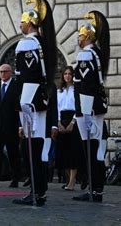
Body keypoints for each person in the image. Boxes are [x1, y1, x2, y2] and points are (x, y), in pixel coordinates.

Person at [12, 0, 58, 207]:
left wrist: (23, 103)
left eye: (22, 21)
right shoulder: (43, 43)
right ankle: (40, 190)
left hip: (30, 98)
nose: (20, 25)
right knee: (37, 145)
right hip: (40, 98)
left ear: (29, 23)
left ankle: (35, 191)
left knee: (32, 146)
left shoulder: (27, 44)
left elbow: (26, 75)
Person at [72, 11, 110, 203]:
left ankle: (94, 189)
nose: (78, 39)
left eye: (80, 35)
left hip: (89, 106)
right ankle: (96, 189)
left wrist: (83, 111)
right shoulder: (97, 53)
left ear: (87, 36)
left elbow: (85, 85)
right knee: (96, 149)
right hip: (97, 105)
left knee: (92, 148)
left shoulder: (86, 54)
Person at [56, 66, 83, 190]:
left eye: (70, 74)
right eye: (65, 74)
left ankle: (72, 182)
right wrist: (58, 123)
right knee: (63, 152)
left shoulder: (76, 89)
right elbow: (56, 108)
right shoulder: (59, 91)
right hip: (62, 119)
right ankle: (69, 180)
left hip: (73, 119)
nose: (67, 76)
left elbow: (79, 106)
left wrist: (73, 122)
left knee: (73, 151)